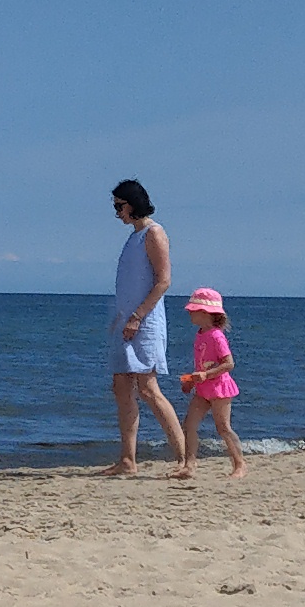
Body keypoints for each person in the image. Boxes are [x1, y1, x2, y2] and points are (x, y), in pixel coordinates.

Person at [104, 180, 187, 477]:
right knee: (121, 387)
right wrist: (121, 318)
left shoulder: (154, 233)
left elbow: (164, 281)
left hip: (145, 322)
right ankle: (128, 460)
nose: (117, 213)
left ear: (133, 203)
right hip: (126, 323)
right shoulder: (133, 237)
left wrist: (138, 316)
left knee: (148, 389)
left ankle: (184, 459)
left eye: (120, 206)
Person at [174, 288, 242, 481]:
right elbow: (202, 364)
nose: (189, 313)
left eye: (192, 310)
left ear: (205, 313)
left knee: (223, 428)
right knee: (189, 424)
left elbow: (229, 364)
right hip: (203, 389)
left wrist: (206, 375)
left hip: (219, 388)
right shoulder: (201, 334)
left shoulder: (216, 336)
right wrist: (191, 381)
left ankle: (239, 464)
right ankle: (189, 465)